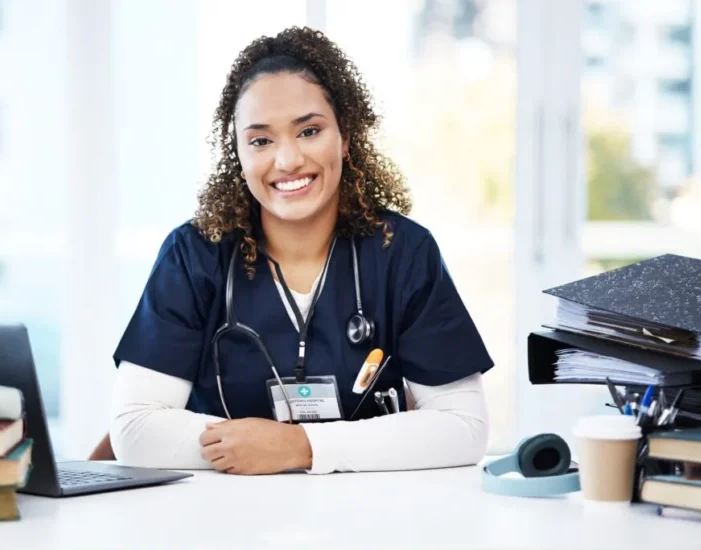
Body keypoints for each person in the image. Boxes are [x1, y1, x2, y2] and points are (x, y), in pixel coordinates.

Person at [110, 26, 494, 475]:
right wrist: (259, 448)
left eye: (308, 131)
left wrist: (303, 446)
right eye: (260, 140)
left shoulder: (402, 252)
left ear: (344, 137)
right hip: (221, 523)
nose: (287, 160)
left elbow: (464, 428)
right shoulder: (195, 255)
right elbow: (135, 431)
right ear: (238, 153)